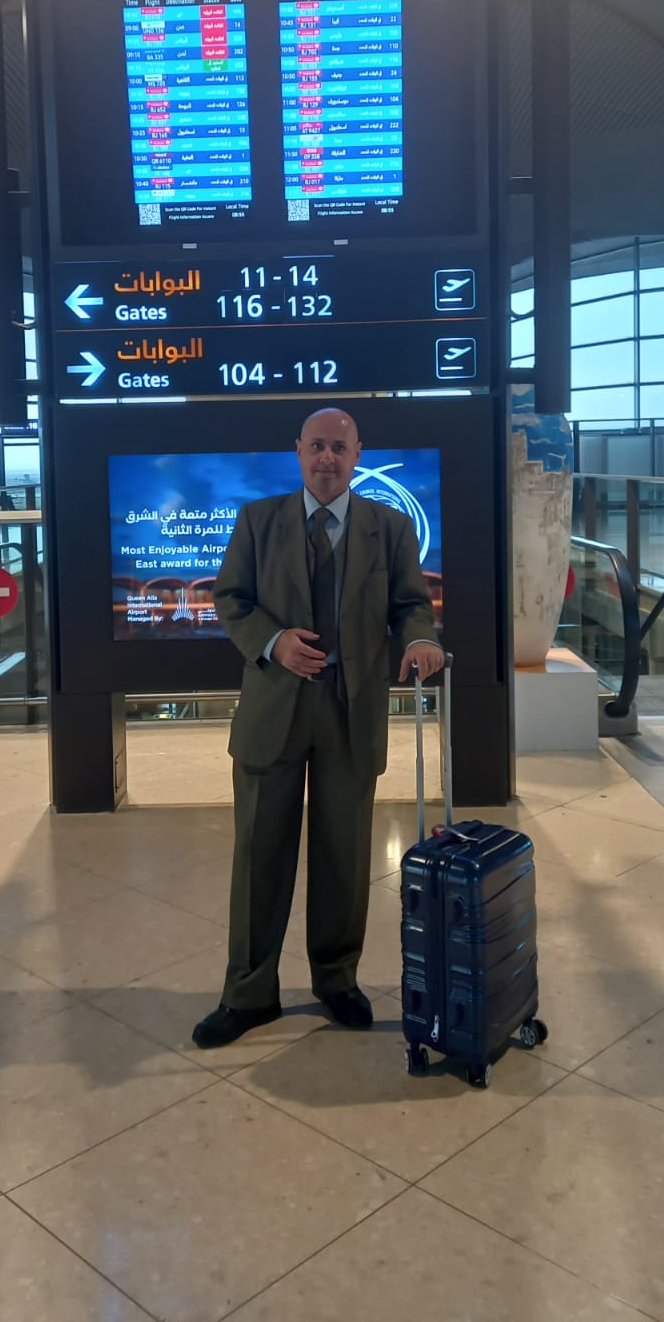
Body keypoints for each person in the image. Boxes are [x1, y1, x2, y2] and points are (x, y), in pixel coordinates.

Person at [193, 407, 444, 1049]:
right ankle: (249, 994)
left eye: (339, 447)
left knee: (344, 854)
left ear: (357, 455)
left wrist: (420, 639)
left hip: (350, 710)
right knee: (259, 854)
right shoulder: (258, 520)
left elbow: (411, 605)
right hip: (274, 708)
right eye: (316, 446)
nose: (327, 457)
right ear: (298, 451)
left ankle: (337, 980)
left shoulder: (389, 528)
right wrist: (273, 641)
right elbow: (231, 599)